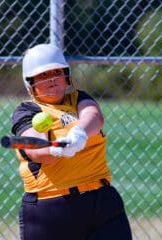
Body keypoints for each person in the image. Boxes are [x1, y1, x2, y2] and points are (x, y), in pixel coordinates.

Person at [10, 43, 133, 240]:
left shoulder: (79, 98)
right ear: (30, 82)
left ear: (66, 75)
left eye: (56, 72)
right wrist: (56, 150)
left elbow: (94, 117)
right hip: (52, 210)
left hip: (101, 202)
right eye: (43, 75)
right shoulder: (26, 111)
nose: (51, 80)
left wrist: (79, 134)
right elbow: (35, 148)